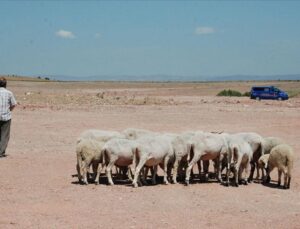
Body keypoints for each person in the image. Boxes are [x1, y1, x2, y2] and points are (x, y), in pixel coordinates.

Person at [0, 77, 17, 158]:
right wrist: (9, 110)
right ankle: (1, 152)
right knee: (4, 135)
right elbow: (14, 104)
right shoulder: (9, 93)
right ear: (5, 84)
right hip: (6, 117)